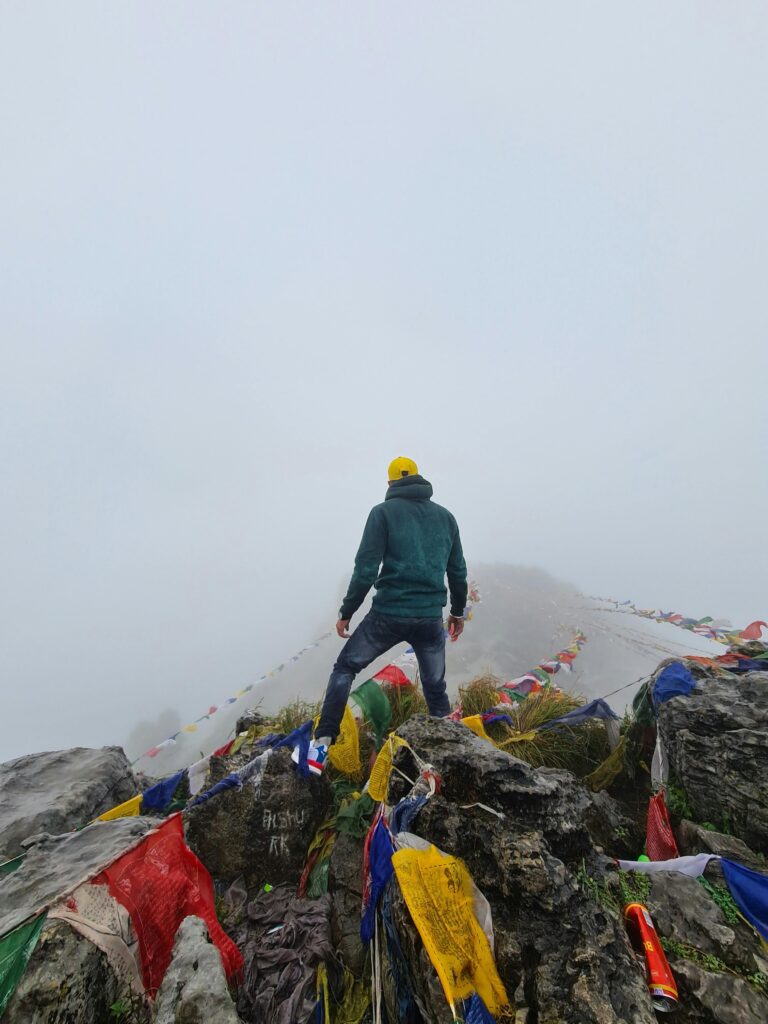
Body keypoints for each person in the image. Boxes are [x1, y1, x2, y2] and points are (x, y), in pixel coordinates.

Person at [296, 456, 467, 775]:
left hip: (388, 614)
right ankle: (451, 754)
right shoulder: (447, 518)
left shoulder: (382, 513)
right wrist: (457, 611)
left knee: (345, 667)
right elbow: (457, 571)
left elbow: (365, 569)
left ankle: (321, 744)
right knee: (434, 686)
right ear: (419, 479)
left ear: (390, 484)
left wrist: (347, 611)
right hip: (430, 617)